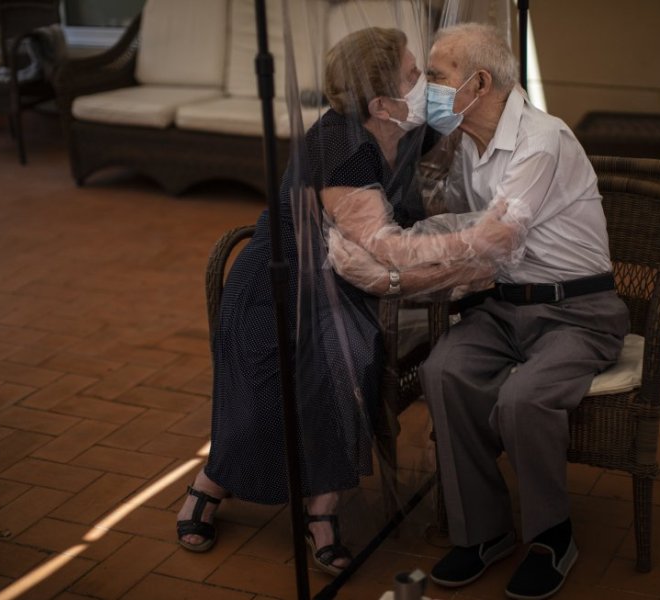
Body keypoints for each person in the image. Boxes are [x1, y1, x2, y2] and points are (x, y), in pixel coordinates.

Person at [175, 26, 518, 576]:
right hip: (277, 286)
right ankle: (209, 482)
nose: (424, 84)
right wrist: (476, 244)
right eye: (414, 75)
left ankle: (322, 510)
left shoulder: (400, 128)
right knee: (283, 380)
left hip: (341, 284)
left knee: (350, 364)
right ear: (380, 102)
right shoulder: (341, 148)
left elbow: (461, 112)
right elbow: (387, 247)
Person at [415, 23, 630, 600]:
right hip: (504, 309)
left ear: (478, 83)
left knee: (523, 398)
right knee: (442, 372)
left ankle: (552, 535)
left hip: (578, 310)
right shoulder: (464, 141)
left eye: (436, 76)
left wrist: (402, 269)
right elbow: (454, 223)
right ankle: (484, 532)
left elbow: (492, 236)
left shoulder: (543, 138)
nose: (427, 87)